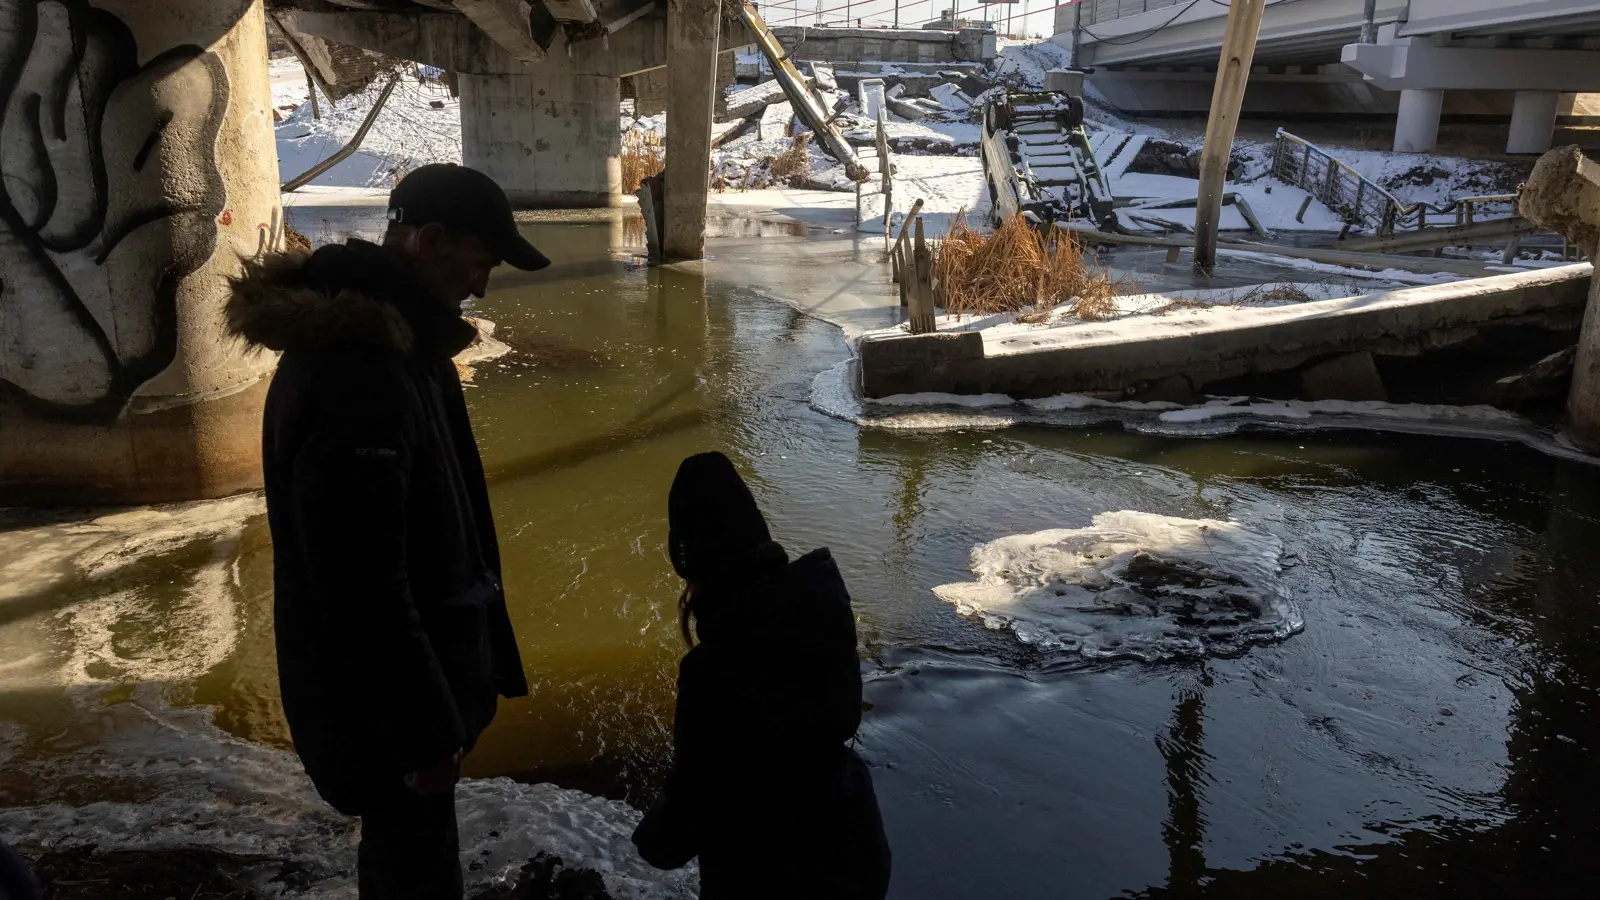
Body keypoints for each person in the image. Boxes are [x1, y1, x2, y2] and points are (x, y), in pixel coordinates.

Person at [226, 164, 548, 899]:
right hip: (390, 719)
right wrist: (425, 736)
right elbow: (362, 583)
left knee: (408, 858)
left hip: (399, 704)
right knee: (415, 871)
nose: (482, 287)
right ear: (430, 242)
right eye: (478, 265)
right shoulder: (359, 374)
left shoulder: (401, 348)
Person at [632, 452, 892, 899]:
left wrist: (649, 840)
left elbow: (690, 812)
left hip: (770, 878)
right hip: (856, 853)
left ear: (691, 557)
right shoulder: (822, 616)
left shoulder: (710, 673)